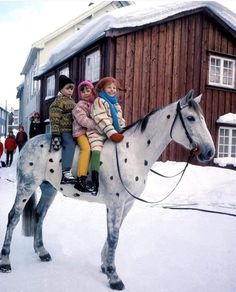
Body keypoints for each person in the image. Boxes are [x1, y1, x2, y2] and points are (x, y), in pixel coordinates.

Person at [87, 77, 126, 194]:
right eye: (109, 87)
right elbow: (101, 118)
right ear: (102, 88)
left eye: (114, 88)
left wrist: (124, 130)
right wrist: (112, 133)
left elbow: (119, 120)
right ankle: (93, 179)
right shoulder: (99, 101)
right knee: (96, 151)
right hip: (98, 132)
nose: (112, 90)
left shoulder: (116, 105)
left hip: (112, 132)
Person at [49, 75, 76, 184]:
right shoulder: (58, 102)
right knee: (70, 145)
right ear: (61, 89)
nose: (70, 91)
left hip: (74, 130)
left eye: (71, 89)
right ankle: (66, 172)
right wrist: (56, 134)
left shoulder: (72, 101)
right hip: (65, 130)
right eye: (67, 88)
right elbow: (55, 118)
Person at [72, 80, 97, 193]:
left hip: (91, 133)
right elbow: (83, 120)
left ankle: (96, 175)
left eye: (88, 90)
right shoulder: (79, 106)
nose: (86, 93)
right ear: (79, 94)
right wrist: (96, 125)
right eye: (83, 92)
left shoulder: (94, 104)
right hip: (80, 132)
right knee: (86, 149)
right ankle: (81, 178)